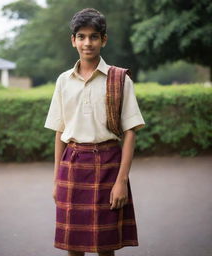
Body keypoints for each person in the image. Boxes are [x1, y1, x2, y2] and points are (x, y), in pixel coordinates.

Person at [44, 8, 145, 256]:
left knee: (105, 245)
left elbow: (130, 132)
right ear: (73, 40)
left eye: (93, 36)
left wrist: (121, 181)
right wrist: (57, 179)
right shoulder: (63, 81)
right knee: (73, 244)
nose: (87, 43)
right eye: (81, 36)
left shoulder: (119, 79)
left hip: (109, 164)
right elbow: (59, 132)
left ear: (104, 39)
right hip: (73, 163)